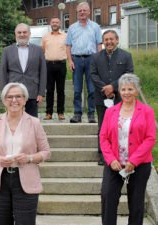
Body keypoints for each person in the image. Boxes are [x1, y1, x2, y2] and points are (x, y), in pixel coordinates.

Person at [0, 82, 50, 225]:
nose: (14, 100)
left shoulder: (34, 123)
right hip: (1, 180)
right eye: (9, 97)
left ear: (25, 100)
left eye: (18, 96)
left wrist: (29, 158)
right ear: (4, 100)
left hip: (26, 180)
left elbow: (46, 152)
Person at [100, 73, 156, 225]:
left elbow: (150, 138)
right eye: (123, 89)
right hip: (114, 164)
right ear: (119, 91)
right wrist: (111, 159)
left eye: (130, 89)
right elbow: (103, 137)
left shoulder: (147, 112)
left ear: (137, 91)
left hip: (139, 165)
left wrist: (134, 160)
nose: (126, 92)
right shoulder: (110, 111)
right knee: (107, 198)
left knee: (136, 203)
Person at [91, 30, 134, 165]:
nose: (109, 42)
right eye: (106, 39)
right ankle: (104, 155)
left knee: (120, 127)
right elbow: (93, 75)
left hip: (120, 99)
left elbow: (129, 74)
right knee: (103, 127)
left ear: (117, 40)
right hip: (101, 97)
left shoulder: (126, 56)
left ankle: (119, 153)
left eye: (111, 39)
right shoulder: (95, 57)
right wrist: (105, 89)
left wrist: (113, 87)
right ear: (103, 42)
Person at [0, 23, 47, 118]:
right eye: (19, 32)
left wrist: (41, 92)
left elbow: (43, 72)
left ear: (29, 34)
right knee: (13, 119)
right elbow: (3, 72)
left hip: (32, 90)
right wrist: (4, 92)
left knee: (32, 120)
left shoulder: (38, 50)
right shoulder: (7, 50)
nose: (22, 34)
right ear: (15, 34)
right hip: (13, 91)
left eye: (24, 32)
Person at [66, 2, 102, 123]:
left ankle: (91, 114)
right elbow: (68, 46)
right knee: (77, 89)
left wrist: (98, 60)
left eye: (84, 10)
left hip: (92, 59)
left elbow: (99, 44)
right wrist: (70, 61)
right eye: (80, 10)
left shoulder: (96, 27)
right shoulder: (72, 28)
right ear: (77, 12)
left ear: (89, 12)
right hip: (76, 59)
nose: (82, 12)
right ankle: (77, 114)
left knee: (92, 89)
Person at [41, 17, 67, 121]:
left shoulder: (65, 36)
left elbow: (69, 49)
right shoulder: (45, 37)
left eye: (56, 22)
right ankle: (49, 113)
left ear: (59, 24)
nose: (55, 23)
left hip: (61, 65)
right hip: (49, 65)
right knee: (49, 90)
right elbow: (42, 51)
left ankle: (60, 112)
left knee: (61, 90)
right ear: (50, 24)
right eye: (53, 22)